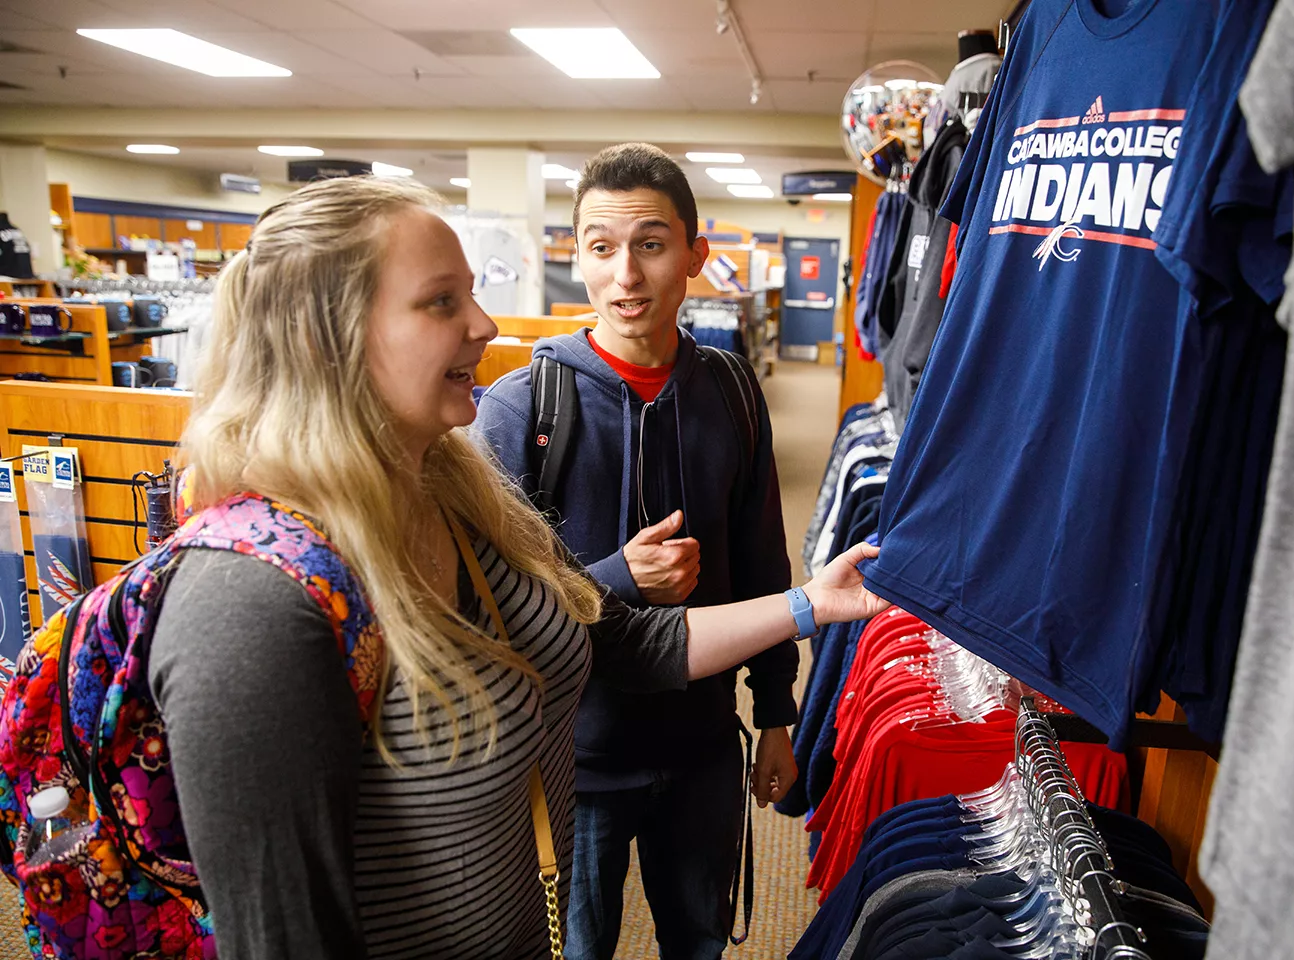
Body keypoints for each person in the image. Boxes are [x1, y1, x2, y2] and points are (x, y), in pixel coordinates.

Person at [150, 174, 885, 960]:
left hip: (641, 803)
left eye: (470, 293)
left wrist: (810, 607)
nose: (485, 323)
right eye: (443, 302)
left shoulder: (455, 493)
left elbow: (619, 636)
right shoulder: (248, 596)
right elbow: (282, 934)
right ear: (324, 337)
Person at [472, 143, 796, 960]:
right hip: (572, 765)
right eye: (601, 247)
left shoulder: (731, 391)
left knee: (699, 942)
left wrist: (777, 714)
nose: (625, 275)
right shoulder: (521, 408)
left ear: (695, 255)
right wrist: (618, 577)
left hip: (703, 751)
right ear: (577, 255)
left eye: (650, 245)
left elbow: (762, 560)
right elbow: (485, 604)